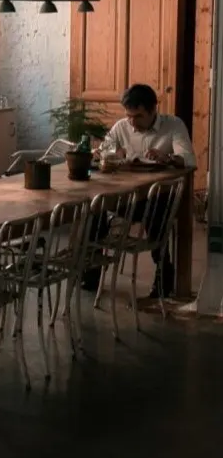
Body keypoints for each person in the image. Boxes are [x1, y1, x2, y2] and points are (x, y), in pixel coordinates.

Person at [89, 84, 196, 298]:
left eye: (137, 117)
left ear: (153, 110)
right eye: (128, 116)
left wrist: (168, 158)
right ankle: (92, 271)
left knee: (156, 212)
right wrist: (110, 153)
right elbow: (101, 151)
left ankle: (163, 275)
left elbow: (190, 160)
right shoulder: (122, 126)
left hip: (157, 198)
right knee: (93, 207)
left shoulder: (173, 125)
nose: (132, 122)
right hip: (125, 195)